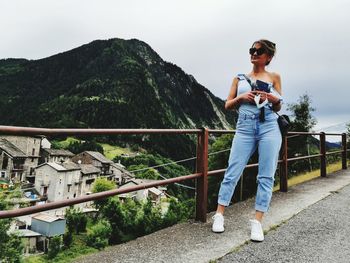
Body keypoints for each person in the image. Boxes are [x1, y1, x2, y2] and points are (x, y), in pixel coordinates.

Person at [212, 39, 283, 242]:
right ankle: (219, 214)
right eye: (252, 50)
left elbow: (279, 106)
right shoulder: (239, 78)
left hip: (269, 125)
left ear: (268, 57)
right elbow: (227, 104)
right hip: (244, 127)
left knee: (266, 175)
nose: (254, 53)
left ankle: (257, 221)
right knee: (232, 171)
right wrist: (243, 98)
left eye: (258, 51)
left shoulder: (274, 77)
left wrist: (271, 98)